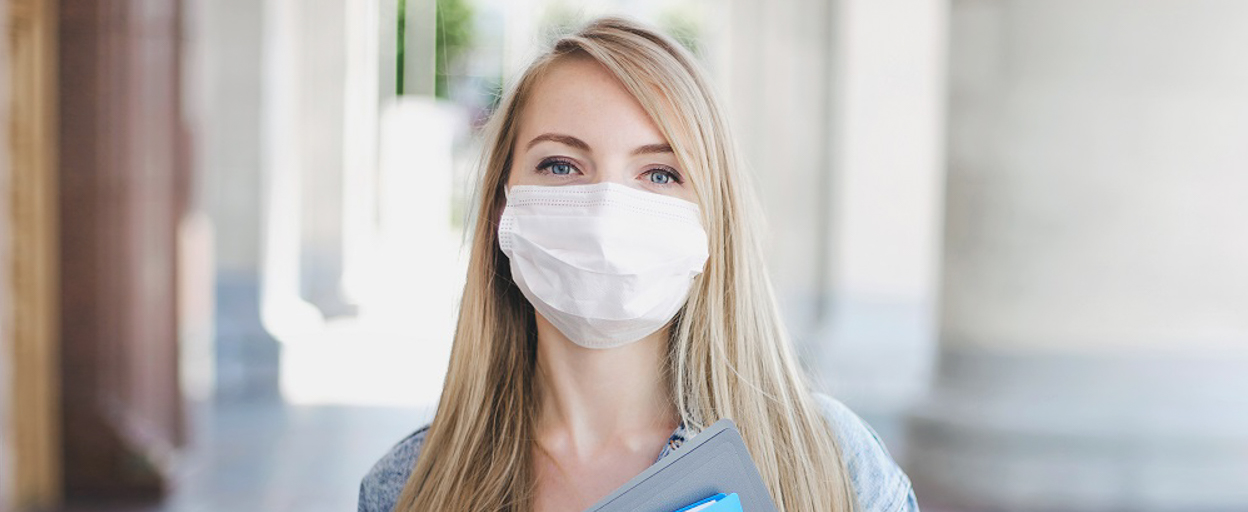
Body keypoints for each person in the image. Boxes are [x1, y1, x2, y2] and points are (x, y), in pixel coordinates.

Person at [359, 16, 918, 512]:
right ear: (502, 205)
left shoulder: (829, 460)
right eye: (560, 165)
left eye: (659, 174)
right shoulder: (408, 487)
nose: (607, 210)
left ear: (711, 218)